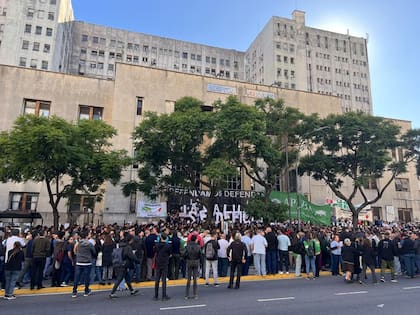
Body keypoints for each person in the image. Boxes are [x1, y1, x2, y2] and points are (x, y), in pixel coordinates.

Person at [109, 234, 140, 298]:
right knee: (119, 279)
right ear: (130, 240)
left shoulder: (120, 245)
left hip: (118, 263)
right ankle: (112, 293)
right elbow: (131, 256)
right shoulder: (127, 247)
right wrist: (137, 261)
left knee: (127, 278)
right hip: (123, 265)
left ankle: (132, 290)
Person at [72, 231, 96, 298]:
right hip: (87, 262)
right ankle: (86, 291)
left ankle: (74, 292)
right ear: (86, 236)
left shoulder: (78, 243)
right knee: (86, 277)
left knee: (76, 277)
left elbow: (74, 251)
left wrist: (78, 255)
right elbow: (94, 251)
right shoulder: (89, 244)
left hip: (79, 262)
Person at [153, 233, 172, 301]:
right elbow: (170, 254)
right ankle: (164, 295)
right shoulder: (168, 246)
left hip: (158, 262)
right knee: (164, 280)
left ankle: (156, 295)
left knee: (157, 279)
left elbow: (154, 251)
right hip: (165, 262)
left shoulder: (157, 245)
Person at [184, 234, 201, 299]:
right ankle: (195, 294)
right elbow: (200, 255)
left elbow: (184, 254)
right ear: (196, 239)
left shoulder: (187, 246)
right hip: (196, 261)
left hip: (189, 261)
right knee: (195, 279)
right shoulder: (198, 246)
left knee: (188, 279)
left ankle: (187, 295)